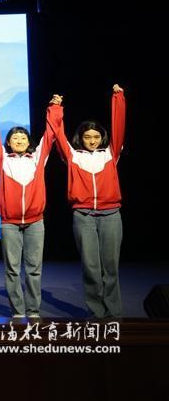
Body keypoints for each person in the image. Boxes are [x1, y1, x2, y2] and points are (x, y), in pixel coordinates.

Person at [47, 84, 126, 318]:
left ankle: (114, 313)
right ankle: (96, 312)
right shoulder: (73, 156)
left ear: (102, 138)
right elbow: (57, 133)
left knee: (110, 266)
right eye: (87, 137)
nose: (92, 141)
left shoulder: (111, 153)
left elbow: (119, 125)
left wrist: (118, 98)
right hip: (83, 216)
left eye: (96, 137)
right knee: (91, 267)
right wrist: (56, 108)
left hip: (111, 214)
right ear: (80, 138)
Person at [0, 97, 54, 319]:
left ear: (29, 141)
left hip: (35, 222)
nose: (20, 140)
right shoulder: (3, 159)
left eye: (23, 137)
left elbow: (50, 135)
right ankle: (17, 310)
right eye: (15, 137)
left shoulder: (37, 158)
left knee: (34, 268)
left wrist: (55, 108)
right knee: (12, 269)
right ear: (9, 142)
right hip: (10, 223)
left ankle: (33, 310)